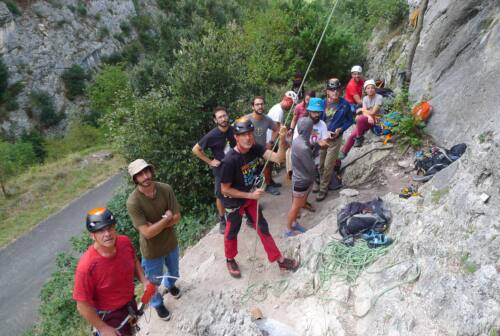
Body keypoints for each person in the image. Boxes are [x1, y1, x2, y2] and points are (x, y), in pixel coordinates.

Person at [220, 117, 300, 278]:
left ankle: (280, 260)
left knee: (262, 227)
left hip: (250, 197)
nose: (248, 137)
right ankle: (229, 259)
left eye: (250, 133)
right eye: (243, 135)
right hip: (234, 200)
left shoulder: (254, 148)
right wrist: (250, 195)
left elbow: (278, 158)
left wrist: (282, 138)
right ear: (236, 138)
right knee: (231, 232)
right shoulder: (229, 161)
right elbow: (225, 189)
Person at [73, 207, 151, 336]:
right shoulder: (86, 267)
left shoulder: (124, 242)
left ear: (114, 228)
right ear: (92, 235)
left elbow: (134, 261)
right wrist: (103, 328)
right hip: (109, 318)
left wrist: (144, 281)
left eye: (109, 228)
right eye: (101, 231)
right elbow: (82, 305)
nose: (107, 234)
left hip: (129, 305)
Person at [126, 159, 182, 321]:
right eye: (140, 174)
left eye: (147, 171)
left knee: (174, 272)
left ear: (151, 171)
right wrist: (166, 219)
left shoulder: (165, 189)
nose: (145, 177)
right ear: (135, 179)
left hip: (170, 243)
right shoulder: (133, 202)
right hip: (151, 251)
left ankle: (170, 286)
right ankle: (157, 304)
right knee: (151, 283)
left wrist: (155, 226)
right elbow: (147, 233)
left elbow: (177, 217)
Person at [192, 107, 236, 234]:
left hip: (235, 166)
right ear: (215, 120)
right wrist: (210, 161)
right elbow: (195, 149)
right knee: (220, 195)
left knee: (238, 188)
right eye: (220, 117)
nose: (223, 119)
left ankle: (242, 211)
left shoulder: (233, 130)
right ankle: (222, 220)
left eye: (224, 116)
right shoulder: (212, 135)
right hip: (221, 170)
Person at [316, 78, 353, 202]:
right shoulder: (322, 103)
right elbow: (315, 119)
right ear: (327, 91)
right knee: (321, 164)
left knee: (328, 165)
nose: (335, 92)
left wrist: (340, 129)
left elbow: (350, 120)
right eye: (332, 89)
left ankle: (323, 189)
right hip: (323, 139)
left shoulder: (344, 104)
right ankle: (322, 183)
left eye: (337, 89)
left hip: (335, 139)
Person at [246, 96, 281, 195]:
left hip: (262, 149)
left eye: (261, 104)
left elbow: (276, 129)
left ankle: (269, 184)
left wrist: (271, 142)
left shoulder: (267, 119)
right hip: (249, 151)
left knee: (267, 165)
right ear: (252, 107)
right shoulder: (246, 119)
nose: (260, 106)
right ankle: (261, 188)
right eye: (257, 104)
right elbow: (235, 131)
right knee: (252, 173)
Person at [286, 117, 315, 236]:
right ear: (309, 129)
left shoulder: (297, 139)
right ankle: (288, 229)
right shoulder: (303, 147)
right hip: (302, 180)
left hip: (298, 177)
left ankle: (294, 223)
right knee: (296, 206)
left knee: (298, 205)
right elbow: (310, 166)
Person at [340, 79, 383, 158]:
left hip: (377, 121)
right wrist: (368, 115)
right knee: (352, 135)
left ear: (375, 88)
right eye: (368, 88)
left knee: (359, 118)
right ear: (365, 90)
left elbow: (373, 112)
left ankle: (359, 138)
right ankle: (343, 154)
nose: (370, 90)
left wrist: (363, 110)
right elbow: (365, 113)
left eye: (372, 87)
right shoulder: (365, 99)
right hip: (368, 120)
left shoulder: (379, 97)